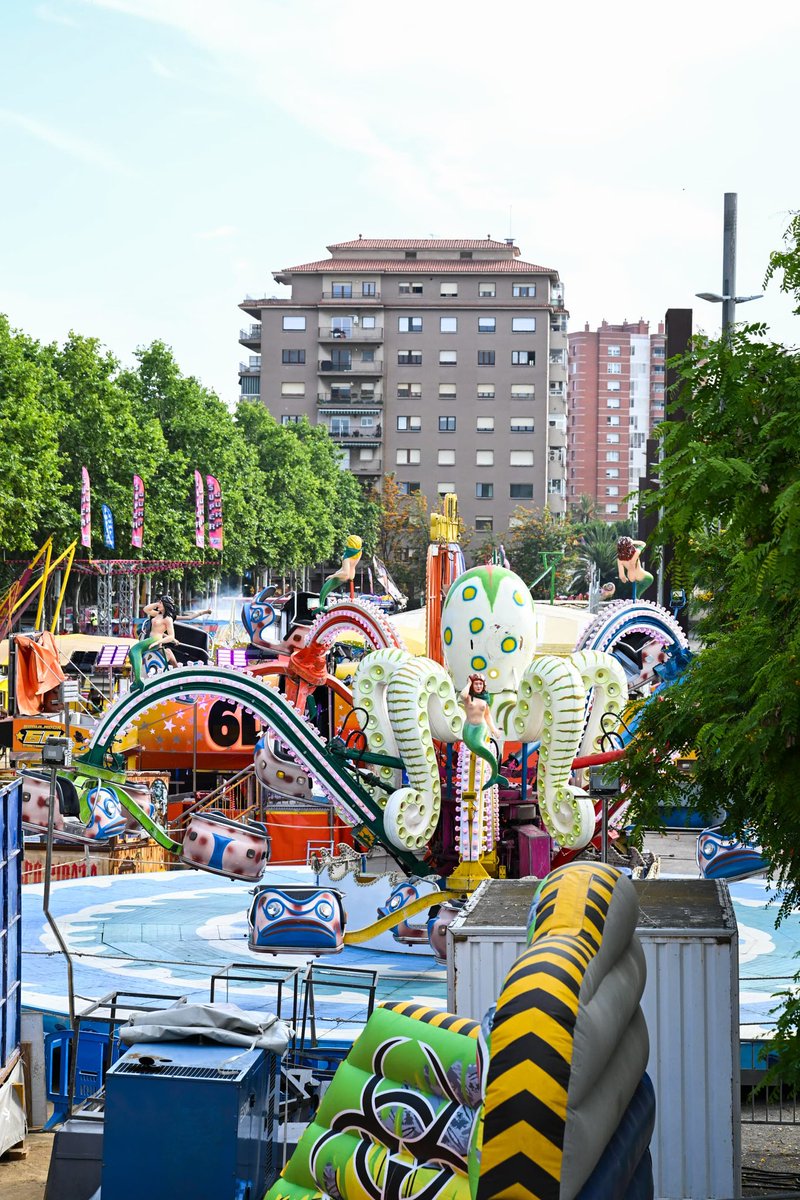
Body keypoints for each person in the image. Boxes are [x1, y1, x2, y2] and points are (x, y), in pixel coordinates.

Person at [459, 674, 507, 790]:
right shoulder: (468, 697)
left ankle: (494, 774)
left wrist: (494, 729)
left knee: (479, 745)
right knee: (473, 745)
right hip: (469, 727)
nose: (479, 686)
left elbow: (487, 715)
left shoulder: (485, 699)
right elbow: (462, 695)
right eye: (476, 683)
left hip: (481, 727)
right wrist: (469, 683)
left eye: (481, 683)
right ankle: (494, 774)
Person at [141, 595, 179, 667]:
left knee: (168, 653)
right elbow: (146, 609)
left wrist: (157, 642)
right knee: (168, 652)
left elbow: (171, 636)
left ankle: (177, 669)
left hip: (156, 643)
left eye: (160, 603)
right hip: (148, 640)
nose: (158, 604)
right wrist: (156, 604)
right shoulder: (157, 614)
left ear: (165, 604)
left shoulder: (168, 619)